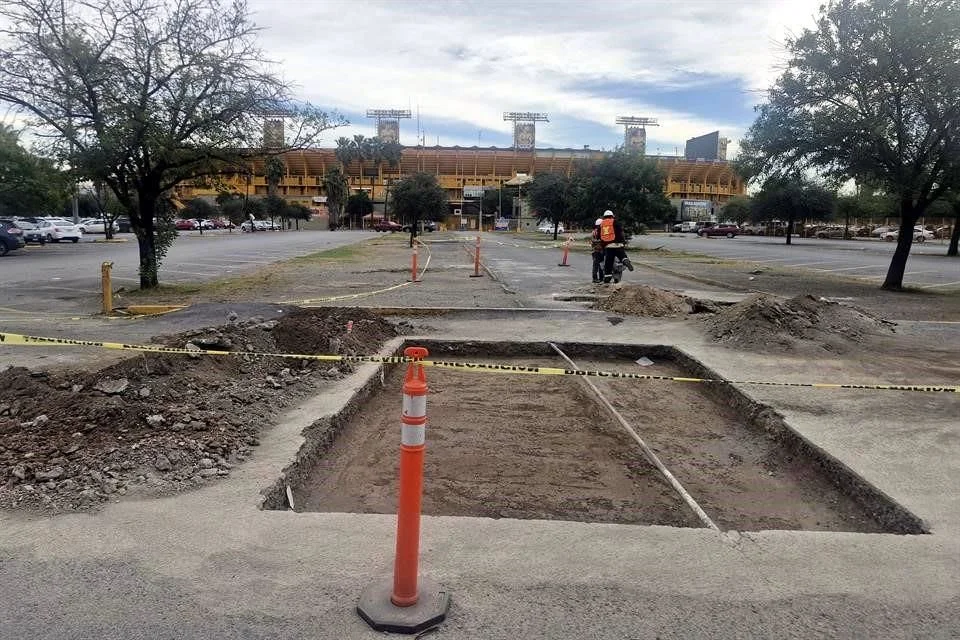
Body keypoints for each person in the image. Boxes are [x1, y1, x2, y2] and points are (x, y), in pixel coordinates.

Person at [598, 209, 633, 284]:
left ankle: (607, 278)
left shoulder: (601, 224)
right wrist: (623, 241)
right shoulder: (615, 222)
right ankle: (625, 260)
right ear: (612, 216)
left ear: (604, 217)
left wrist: (602, 244)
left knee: (608, 263)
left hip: (608, 246)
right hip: (618, 244)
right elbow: (621, 232)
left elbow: (599, 236)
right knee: (622, 255)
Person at [590, 217, 605, 283]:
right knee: (600, 265)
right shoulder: (599, 232)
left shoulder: (593, 232)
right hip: (599, 251)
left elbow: (592, 241)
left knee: (597, 265)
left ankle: (596, 278)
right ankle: (600, 278)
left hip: (595, 251)